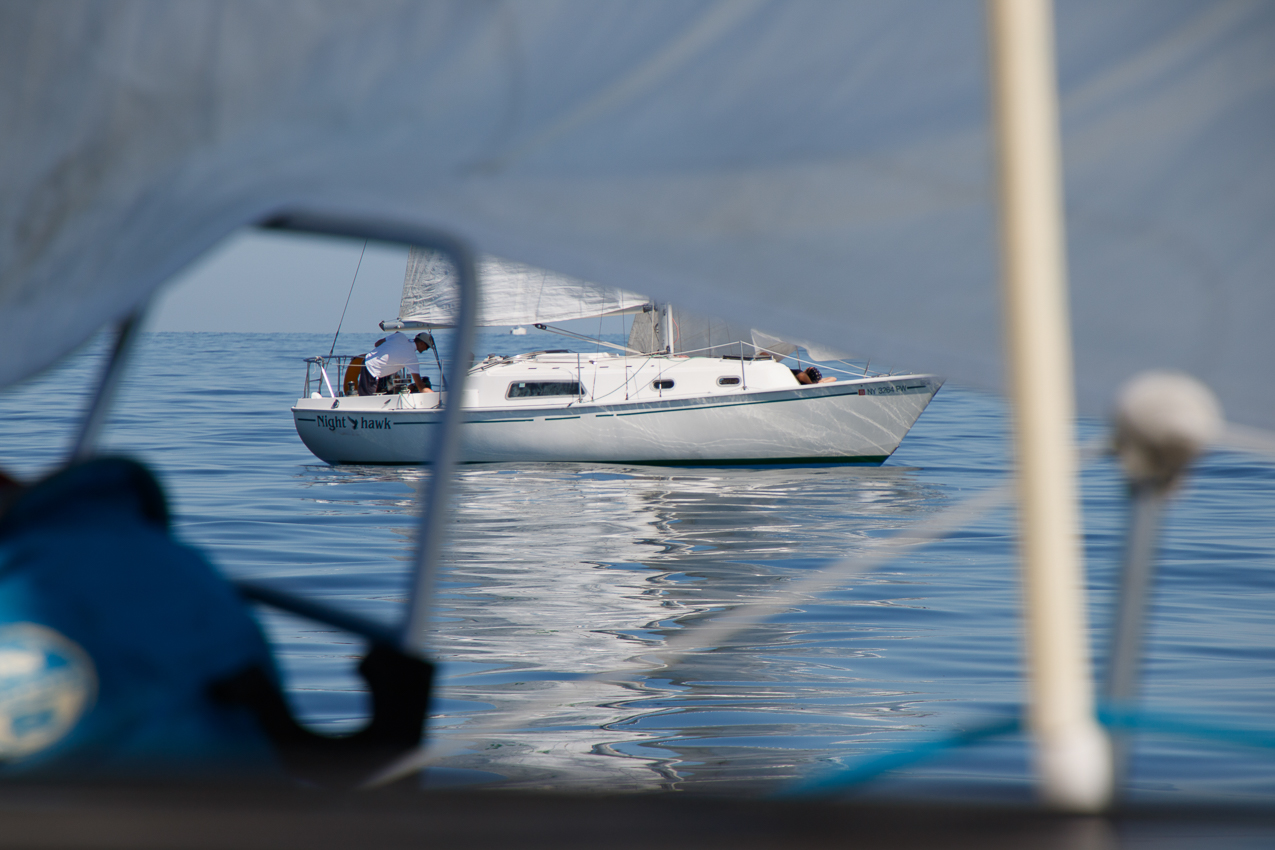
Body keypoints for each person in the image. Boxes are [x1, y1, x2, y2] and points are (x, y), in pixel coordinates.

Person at [356, 332, 435, 396]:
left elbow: (377, 344)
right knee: (366, 398)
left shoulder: (400, 336)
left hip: (369, 361)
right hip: (372, 369)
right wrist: (434, 397)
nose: (426, 349)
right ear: (421, 343)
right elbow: (420, 386)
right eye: (427, 347)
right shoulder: (412, 358)